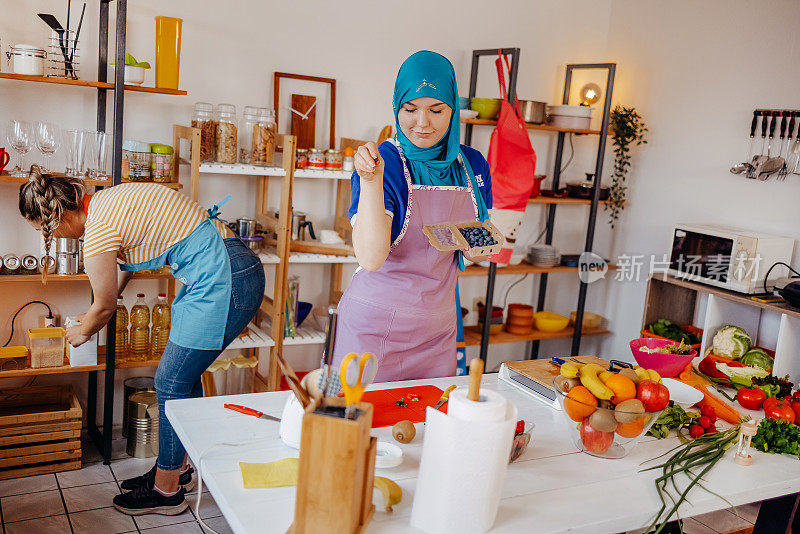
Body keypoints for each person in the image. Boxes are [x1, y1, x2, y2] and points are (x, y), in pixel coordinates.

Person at [18, 167, 265, 516]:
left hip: (222, 277)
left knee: (170, 380)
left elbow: (104, 306)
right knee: (183, 378)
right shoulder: (106, 203)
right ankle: (177, 470)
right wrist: (97, 309)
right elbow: (122, 272)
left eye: (48, 229)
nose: (56, 236)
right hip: (230, 267)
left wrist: (84, 329)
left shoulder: (98, 230)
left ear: (58, 214)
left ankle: (166, 492)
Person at [333, 50, 492, 382]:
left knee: (428, 428)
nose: (423, 123)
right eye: (410, 109)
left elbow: (478, 244)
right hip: (373, 333)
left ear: (454, 110)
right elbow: (371, 257)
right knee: (361, 428)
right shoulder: (383, 163)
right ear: (396, 107)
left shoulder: (472, 164)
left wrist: (479, 244)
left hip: (437, 332)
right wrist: (371, 181)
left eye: (436, 110)